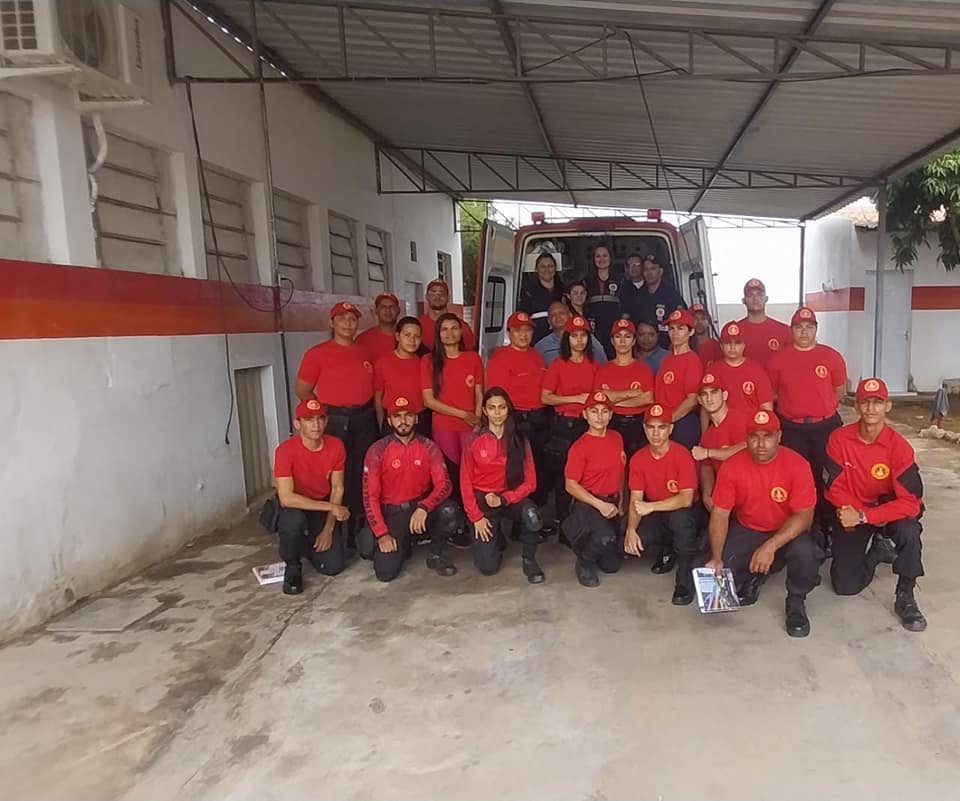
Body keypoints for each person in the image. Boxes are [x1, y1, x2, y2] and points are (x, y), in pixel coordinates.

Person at [706, 410, 821, 638]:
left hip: (787, 531)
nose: (760, 444)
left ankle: (796, 601)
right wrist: (716, 557)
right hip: (749, 528)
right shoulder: (732, 466)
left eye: (767, 436)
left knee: (806, 552)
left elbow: (804, 517)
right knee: (717, 582)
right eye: (754, 437)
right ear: (746, 438)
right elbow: (720, 514)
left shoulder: (798, 464)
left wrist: (770, 546)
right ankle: (757, 574)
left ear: (779, 436)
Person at [824, 378, 927, 631]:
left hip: (883, 511)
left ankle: (906, 594)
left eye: (877, 402)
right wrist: (855, 514)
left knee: (909, 531)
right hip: (853, 511)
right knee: (845, 586)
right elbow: (833, 488)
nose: (871, 408)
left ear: (888, 406)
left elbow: (911, 502)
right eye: (865, 402)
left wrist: (867, 516)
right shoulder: (839, 439)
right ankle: (877, 552)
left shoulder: (899, 447)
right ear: (856, 406)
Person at [295, 300, 378, 543]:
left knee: (363, 470)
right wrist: (321, 416)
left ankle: (361, 523)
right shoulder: (316, 354)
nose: (347, 324)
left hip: (364, 416)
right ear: (331, 323)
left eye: (352, 319)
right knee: (337, 472)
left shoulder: (365, 352)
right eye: (342, 319)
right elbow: (303, 390)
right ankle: (337, 524)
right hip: (334, 418)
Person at [358, 396, 461, 581]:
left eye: (408, 415)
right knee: (385, 572)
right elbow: (369, 496)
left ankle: (436, 553)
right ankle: (402, 543)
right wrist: (382, 533)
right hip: (392, 513)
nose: (403, 421)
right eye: (397, 416)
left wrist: (424, 507)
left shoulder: (429, 447)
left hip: (419, 509)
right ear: (389, 420)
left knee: (449, 511)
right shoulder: (377, 450)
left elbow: (445, 485)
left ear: (416, 418)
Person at [767, 306, 847, 532]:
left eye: (809, 327)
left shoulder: (831, 356)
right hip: (792, 428)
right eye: (799, 327)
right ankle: (801, 526)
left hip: (826, 426)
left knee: (828, 476)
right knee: (796, 478)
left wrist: (820, 406)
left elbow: (839, 391)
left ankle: (828, 524)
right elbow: (773, 393)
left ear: (816, 329)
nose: (804, 331)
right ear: (791, 330)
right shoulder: (777, 360)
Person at [461, 388, 545, 583]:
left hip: (509, 496)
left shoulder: (520, 440)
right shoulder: (473, 440)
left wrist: (505, 498)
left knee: (532, 514)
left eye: (502, 407)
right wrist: (476, 517)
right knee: (488, 568)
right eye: (492, 408)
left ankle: (529, 560)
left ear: (508, 409)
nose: (497, 413)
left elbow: (531, 482)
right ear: (484, 410)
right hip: (483, 500)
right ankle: (495, 533)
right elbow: (465, 482)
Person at [624, 403, 701, 605]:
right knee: (628, 541)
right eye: (651, 427)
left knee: (680, 521)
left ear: (671, 429)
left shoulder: (682, 455)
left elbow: (685, 499)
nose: (656, 433)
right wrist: (631, 530)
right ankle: (668, 549)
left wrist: (651, 507)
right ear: (644, 428)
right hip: (658, 513)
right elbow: (635, 500)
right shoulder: (638, 458)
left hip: (684, 513)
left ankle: (683, 581)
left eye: (662, 427)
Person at [273, 399, 351, 594]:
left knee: (333, 566)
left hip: (321, 504)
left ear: (326, 421)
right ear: (297, 424)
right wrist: (331, 508)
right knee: (292, 521)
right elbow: (286, 498)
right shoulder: (284, 451)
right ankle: (292, 565)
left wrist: (328, 529)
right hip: (295, 506)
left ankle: (306, 545)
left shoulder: (336, 446)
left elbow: (337, 488)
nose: (316, 425)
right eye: (309, 420)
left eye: (320, 419)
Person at [485, 311, 550, 510]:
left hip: (540, 417)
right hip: (516, 418)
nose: (523, 334)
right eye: (518, 330)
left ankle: (535, 511)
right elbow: (495, 396)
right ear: (509, 332)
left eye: (527, 330)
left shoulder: (536, 355)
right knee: (516, 467)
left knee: (538, 466)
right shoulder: (500, 358)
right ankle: (516, 511)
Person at [562, 391, 626, 587]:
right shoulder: (579, 447)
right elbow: (570, 485)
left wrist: (621, 503)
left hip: (612, 502)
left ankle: (595, 542)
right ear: (585, 414)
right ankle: (584, 562)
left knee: (611, 566)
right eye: (594, 411)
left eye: (604, 411)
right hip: (589, 503)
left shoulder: (616, 438)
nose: (599, 416)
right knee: (605, 537)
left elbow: (621, 472)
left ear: (611, 415)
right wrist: (600, 505)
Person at [542, 314, 600, 526]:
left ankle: (585, 520)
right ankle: (564, 521)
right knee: (565, 476)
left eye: (583, 335)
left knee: (589, 473)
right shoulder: (558, 365)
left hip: (588, 425)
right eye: (574, 336)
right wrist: (575, 398)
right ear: (567, 339)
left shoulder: (594, 365)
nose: (579, 340)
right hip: (564, 426)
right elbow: (545, 397)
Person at [421, 312, 484, 497]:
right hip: (445, 426)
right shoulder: (428, 361)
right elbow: (429, 401)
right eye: (444, 329)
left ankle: (471, 510)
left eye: (454, 328)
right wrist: (463, 414)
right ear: (438, 334)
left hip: (470, 425)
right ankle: (453, 510)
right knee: (451, 473)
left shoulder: (473, 358)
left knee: (472, 472)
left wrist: (477, 419)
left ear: (461, 331)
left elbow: (479, 393)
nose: (450, 333)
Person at [597, 318, 655, 460]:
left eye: (627, 337)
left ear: (634, 341)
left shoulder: (643, 369)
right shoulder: (603, 370)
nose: (622, 341)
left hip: (638, 424)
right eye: (618, 337)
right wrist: (631, 394)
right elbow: (599, 398)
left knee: (639, 464)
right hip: (612, 423)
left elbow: (647, 398)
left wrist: (613, 399)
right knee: (614, 464)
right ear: (612, 341)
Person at [692, 372, 748, 515]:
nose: (709, 398)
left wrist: (708, 452)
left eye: (714, 392)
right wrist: (707, 494)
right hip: (727, 496)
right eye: (704, 394)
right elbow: (707, 467)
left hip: (749, 493)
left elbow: (744, 448)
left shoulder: (739, 420)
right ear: (699, 400)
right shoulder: (708, 435)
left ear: (725, 395)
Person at [655, 309, 703, 449]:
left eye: (680, 328)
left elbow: (692, 399)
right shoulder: (667, 359)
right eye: (672, 328)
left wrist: (669, 420)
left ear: (691, 331)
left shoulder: (691, 360)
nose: (675, 333)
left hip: (682, 421)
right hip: (664, 420)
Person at [373, 316, 430, 436]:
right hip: (393, 420)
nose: (412, 340)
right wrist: (381, 424)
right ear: (398, 336)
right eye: (407, 335)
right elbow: (378, 397)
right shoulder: (383, 362)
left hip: (420, 419)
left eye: (417, 336)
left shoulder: (424, 362)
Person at [706, 321, 774, 416]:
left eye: (737, 343)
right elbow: (706, 407)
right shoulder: (713, 371)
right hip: (724, 424)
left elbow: (767, 408)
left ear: (744, 345)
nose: (732, 347)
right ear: (721, 346)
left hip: (751, 424)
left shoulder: (757, 370)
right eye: (728, 343)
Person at [634, 252, 686, 350]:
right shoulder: (638, 295)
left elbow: (682, 321)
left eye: (653, 269)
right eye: (646, 269)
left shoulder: (671, 294)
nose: (649, 273)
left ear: (661, 271)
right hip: (643, 348)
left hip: (667, 346)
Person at [736, 278, 791, 370]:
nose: (755, 298)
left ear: (766, 298)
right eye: (750, 295)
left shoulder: (784, 331)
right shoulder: (735, 332)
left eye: (759, 294)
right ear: (743, 300)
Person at [535, 301, 607, 366]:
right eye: (553, 315)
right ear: (549, 321)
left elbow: (603, 365)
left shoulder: (586, 338)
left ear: (570, 316)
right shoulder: (540, 346)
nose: (558, 317)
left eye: (561, 313)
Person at [583, 242, 622, 359]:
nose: (601, 259)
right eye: (598, 256)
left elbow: (626, 305)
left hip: (614, 327)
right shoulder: (586, 281)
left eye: (605, 256)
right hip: (594, 327)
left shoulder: (621, 280)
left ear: (611, 258)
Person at [518, 252, 565, 343]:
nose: (547, 269)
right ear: (536, 269)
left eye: (550, 266)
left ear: (555, 268)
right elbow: (523, 318)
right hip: (537, 340)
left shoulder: (563, 290)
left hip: (561, 339)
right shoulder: (528, 291)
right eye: (543, 266)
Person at [419, 278, 476, 352]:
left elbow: (469, 354)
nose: (437, 296)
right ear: (426, 297)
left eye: (441, 293)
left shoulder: (461, 326)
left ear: (448, 297)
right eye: (433, 292)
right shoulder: (417, 325)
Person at [356, 292, 402, 363]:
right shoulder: (363, 339)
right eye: (383, 307)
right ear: (376, 311)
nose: (388, 310)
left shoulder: (409, 338)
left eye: (392, 307)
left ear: (398, 310)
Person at [617, 252, 647, 323]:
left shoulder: (650, 287)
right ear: (626, 269)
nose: (633, 268)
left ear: (643, 267)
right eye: (630, 265)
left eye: (637, 265)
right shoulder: (622, 289)